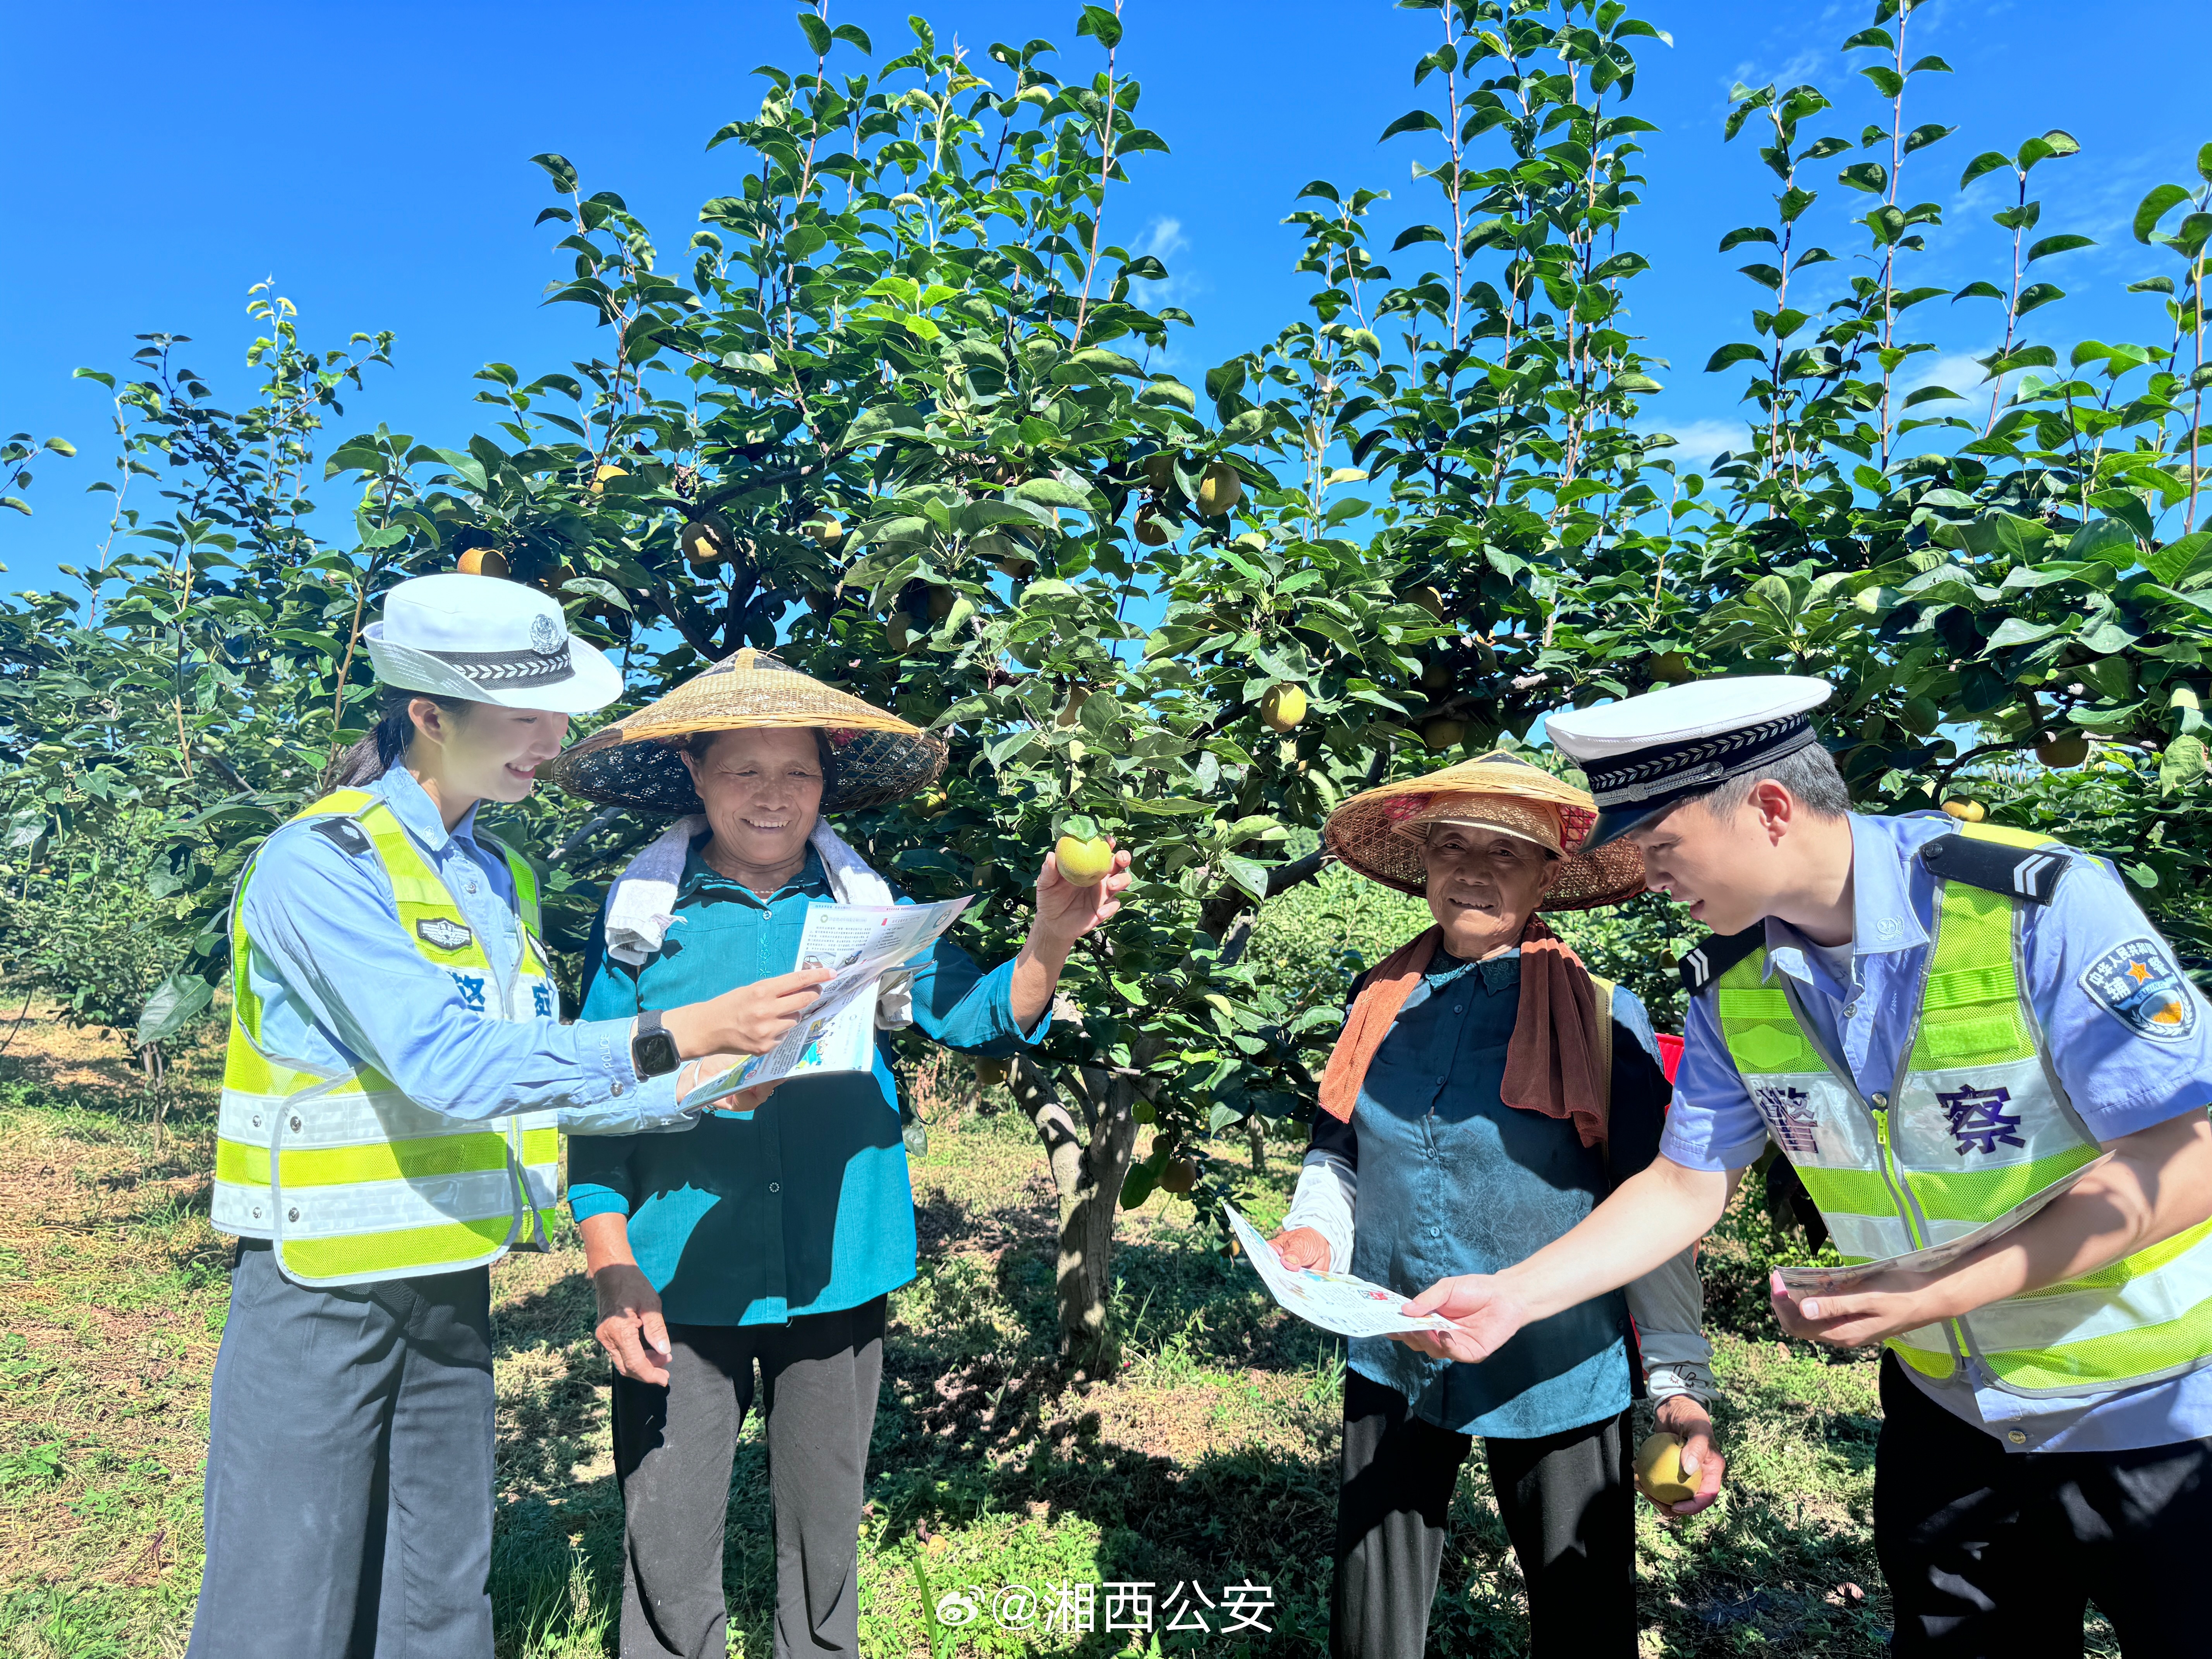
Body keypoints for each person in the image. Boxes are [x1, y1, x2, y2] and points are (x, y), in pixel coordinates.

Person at [1398, 677, 2212, 1657]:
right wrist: (1514, 1296)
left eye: (1660, 847)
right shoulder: (1732, 981)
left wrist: (1940, 1286)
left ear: (1772, 810)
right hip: (1948, 1419)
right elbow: (1685, 1184)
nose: (1649, 877)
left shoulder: (2033, 906)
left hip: (2160, 1413)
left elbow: (2189, 1147)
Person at [190, 575, 827, 1659]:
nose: (554, 737)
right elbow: (445, 1060)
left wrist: (704, 1085)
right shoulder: (323, 863)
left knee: (442, 1588)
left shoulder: (499, 876)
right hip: (318, 1285)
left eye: (557, 709)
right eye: (528, 714)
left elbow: (537, 1071)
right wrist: (680, 1029)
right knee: (285, 1595)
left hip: (450, 1271)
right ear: (430, 717)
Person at [546, 647, 1133, 1659]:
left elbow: (983, 1014)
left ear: (828, 780)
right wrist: (611, 1265)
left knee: (827, 1537)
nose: (774, 797)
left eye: (799, 773)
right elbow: (594, 1105)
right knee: (667, 1537)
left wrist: (1050, 934)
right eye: (744, 771)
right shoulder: (644, 927)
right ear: (695, 773)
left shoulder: (868, 919)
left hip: (840, 1265)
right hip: (678, 1274)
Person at [1272, 753, 1724, 1659]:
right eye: (1451, 845)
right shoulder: (1380, 1000)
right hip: (1396, 1333)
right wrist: (1317, 1228)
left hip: (1554, 1354)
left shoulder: (1603, 1016)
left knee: (1580, 1601)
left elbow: (1658, 1202)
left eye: (1505, 852)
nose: (1473, 870)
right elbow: (1342, 1144)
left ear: (1549, 874)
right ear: (1424, 865)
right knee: (1375, 1593)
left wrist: (1678, 1382)